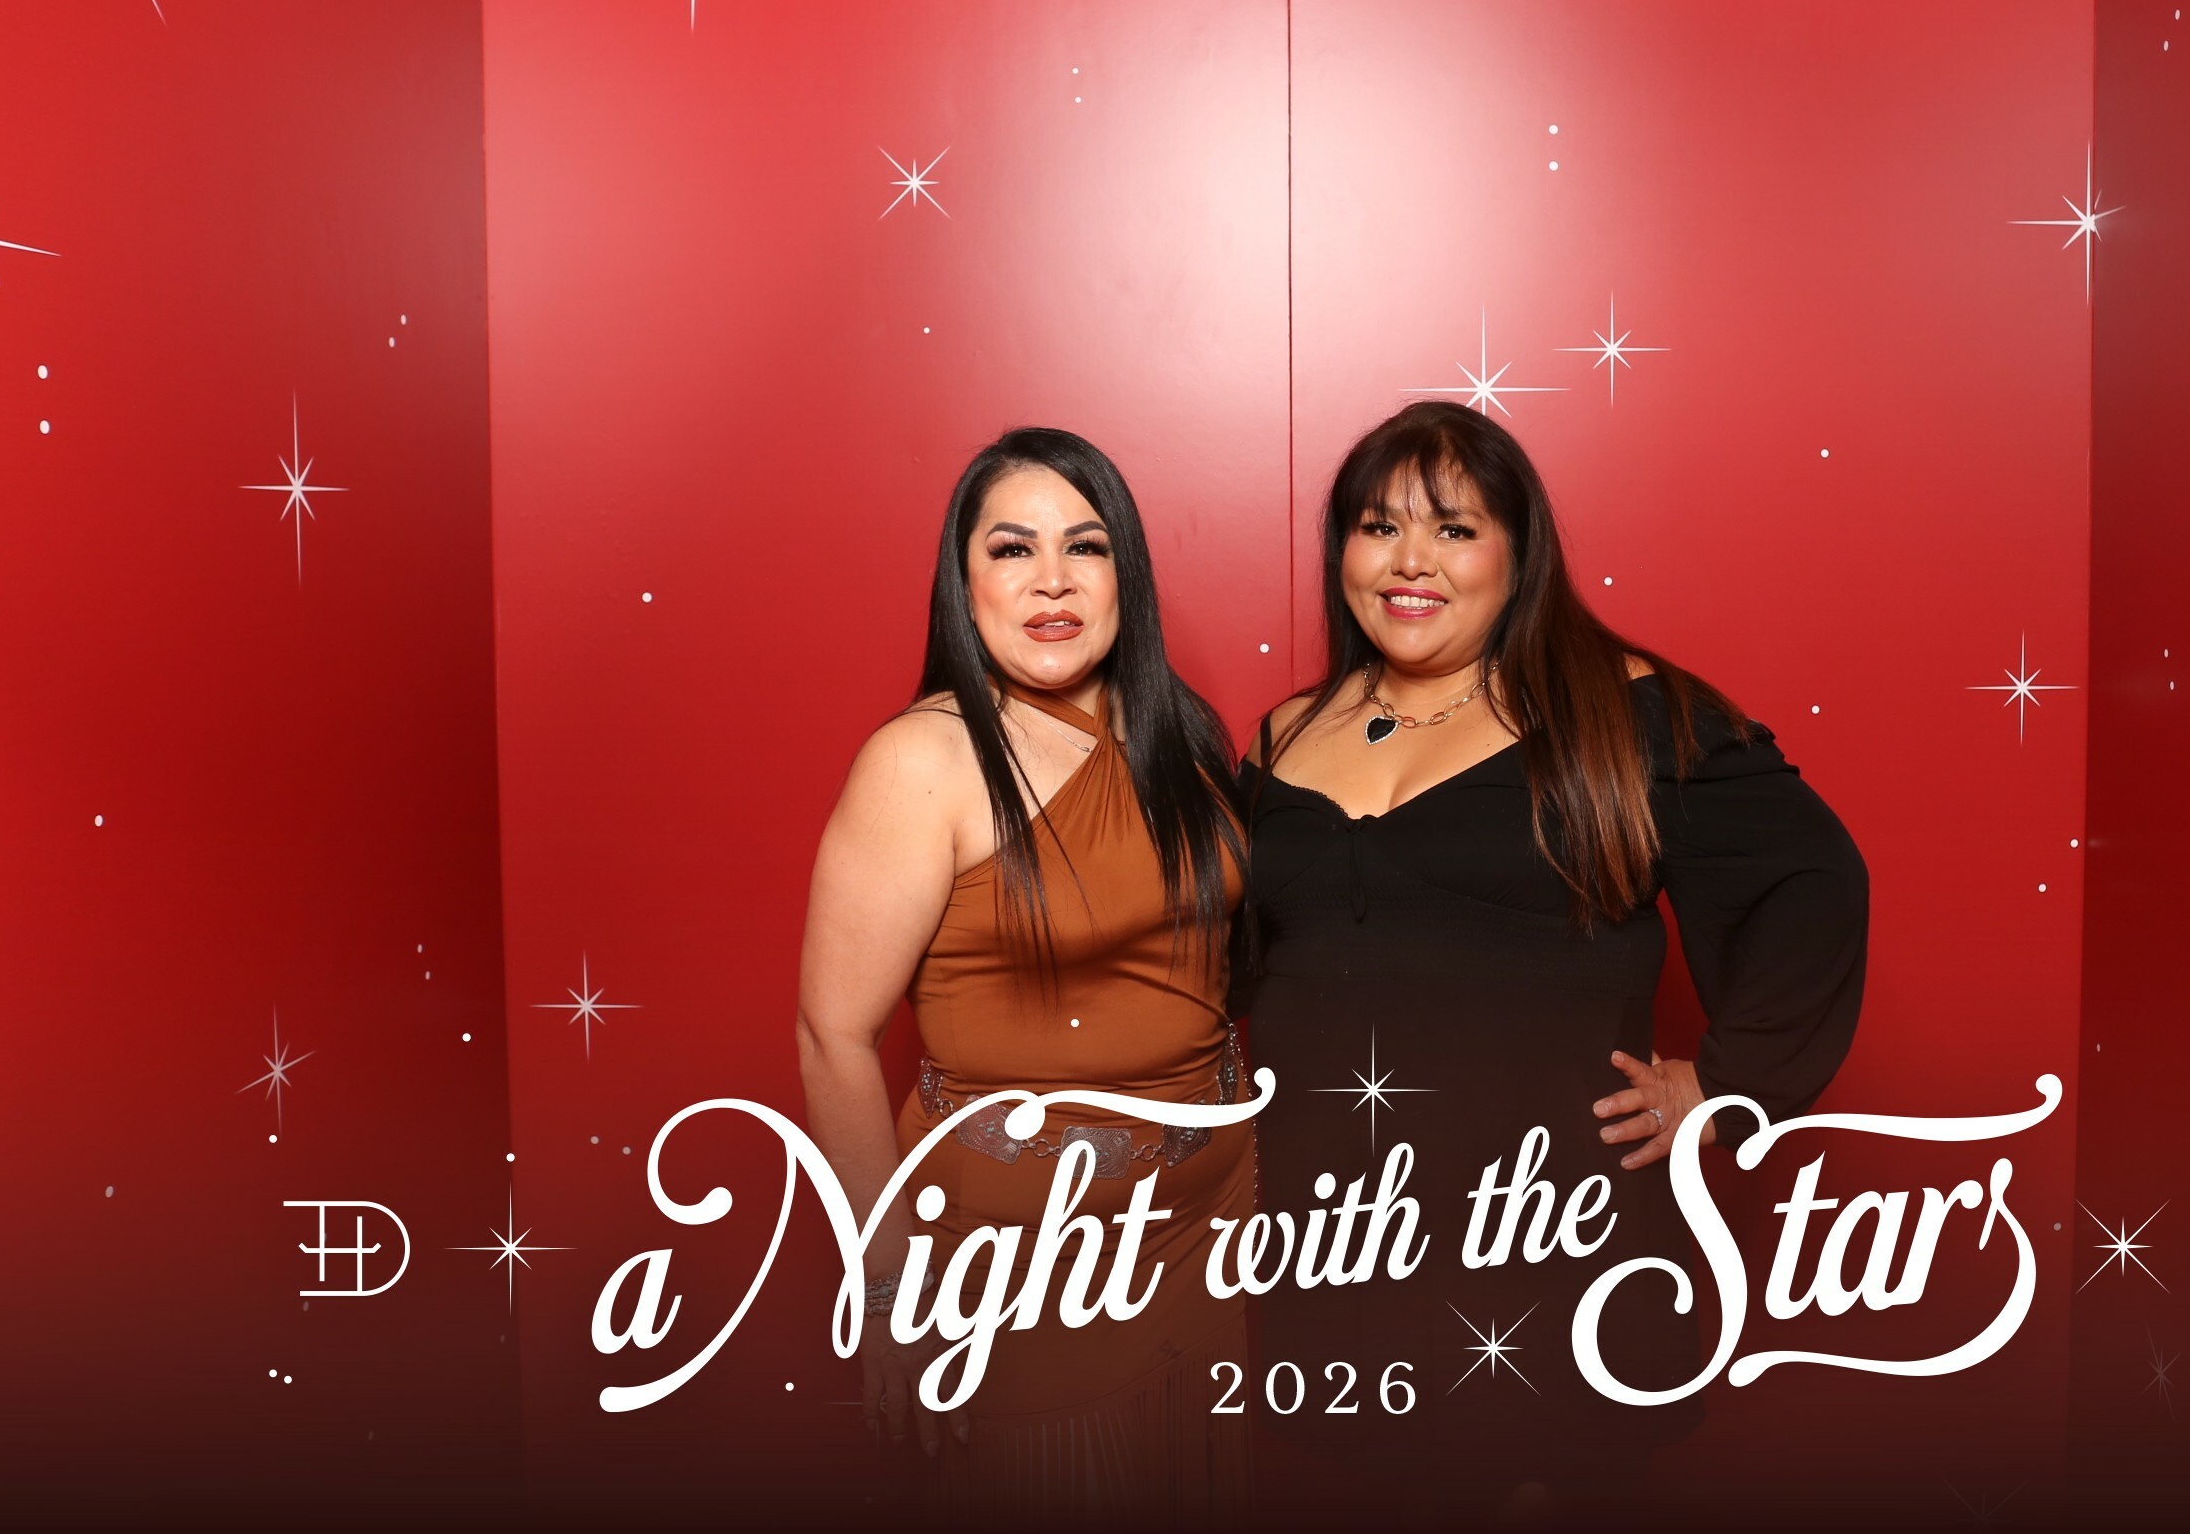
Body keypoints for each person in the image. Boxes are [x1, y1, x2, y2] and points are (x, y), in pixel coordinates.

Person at [1238, 400, 1869, 1520]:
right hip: (1338, 1237)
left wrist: (1731, 1087)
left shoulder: (1619, 710)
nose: (1411, 560)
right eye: (1379, 527)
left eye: (1454, 528)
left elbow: (1815, 880)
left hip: (1542, 1234)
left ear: (1518, 552)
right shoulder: (1285, 731)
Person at [795, 426, 1252, 1524]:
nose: (1053, 580)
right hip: (1028, 1260)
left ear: (1124, 574)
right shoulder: (925, 759)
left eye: (1085, 547)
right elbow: (831, 1035)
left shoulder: (1180, 733)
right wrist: (892, 1286)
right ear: (965, 585)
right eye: (1012, 549)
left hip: (1218, 1232)